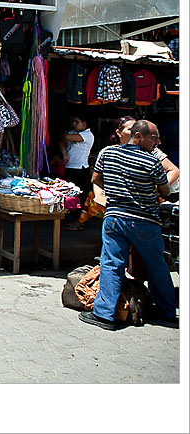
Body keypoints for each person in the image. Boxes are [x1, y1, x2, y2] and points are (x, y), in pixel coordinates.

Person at [79, 120, 177, 330]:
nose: (157, 142)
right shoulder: (152, 161)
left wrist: (117, 191)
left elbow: (96, 178)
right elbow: (165, 191)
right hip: (145, 222)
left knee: (112, 263)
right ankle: (168, 312)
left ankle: (105, 315)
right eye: (154, 137)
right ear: (139, 136)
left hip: (115, 218)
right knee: (157, 266)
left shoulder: (107, 153)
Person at [61, 114, 94, 197]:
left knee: (78, 195)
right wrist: (64, 152)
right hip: (68, 167)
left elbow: (64, 137)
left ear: (84, 124)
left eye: (77, 122)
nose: (74, 124)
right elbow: (61, 140)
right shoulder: (72, 132)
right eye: (73, 122)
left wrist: (64, 133)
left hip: (80, 169)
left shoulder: (88, 135)